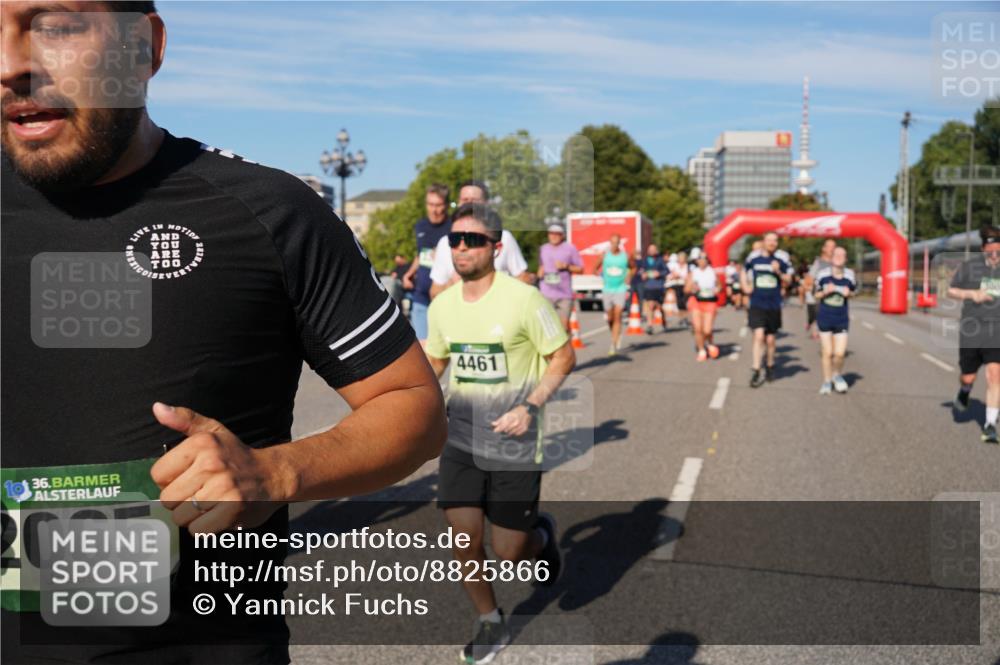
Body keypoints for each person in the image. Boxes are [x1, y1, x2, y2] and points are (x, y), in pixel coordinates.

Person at [0, 2, 447, 663]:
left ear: (144, 46)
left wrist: (275, 471)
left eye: (56, 27)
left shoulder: (269, 213)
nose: (10, 65)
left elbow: (414, 407)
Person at [424, 203, 574, 664]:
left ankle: (541, 539)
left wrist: (531, 405)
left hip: (514, 439)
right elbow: (437, 364)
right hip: (463, 437)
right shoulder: (443, 305)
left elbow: (563, 356)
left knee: (510, 552)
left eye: (473, 240)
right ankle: (491, 621)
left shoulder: (525, 300)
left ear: (497, 246)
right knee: (463, 540)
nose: (462, 248)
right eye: (455, 240)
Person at [428, 180, 531, 299]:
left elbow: (524, 279)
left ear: (486, 204)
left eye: (475, 200)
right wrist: (452, 283)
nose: (469, 204)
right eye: (465, 200)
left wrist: (497, 288)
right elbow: (434, 293)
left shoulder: (504, 237)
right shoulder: (445, 242)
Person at [948, 226, 1000, 444]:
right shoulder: (970, 267)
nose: (995, 256)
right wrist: (973, 294)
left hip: (996, 331)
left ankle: (989, 425)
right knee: (968, 376)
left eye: (999, 251)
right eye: (991, 251)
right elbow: (951, 290)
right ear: (983, 249)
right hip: (972, 330)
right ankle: (965, 390)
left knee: (994, 375)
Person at [742, 232, 794, 387]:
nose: (772, 243)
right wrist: (745, 285)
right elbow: (744, 270)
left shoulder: (782, 259)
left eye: (775, 240)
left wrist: (778, 271)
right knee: (758, 336)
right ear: (763, 241)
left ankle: (770, 365)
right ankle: (756, 369)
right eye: (769, 240)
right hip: (757, 302)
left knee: (770, 340)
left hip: (773, 304)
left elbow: (789, 279)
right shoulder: (754, 257)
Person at [402, 183, 451, 342]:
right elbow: (421, 254)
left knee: (445, 350)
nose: (434, 210)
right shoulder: (420, 225)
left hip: (446, 296)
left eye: (438, 205)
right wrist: (409, 273)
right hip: (421, 296)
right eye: (430, 204)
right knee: (423, 348)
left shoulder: (454, 227)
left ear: (446, 205)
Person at [814, 247, 857, 394]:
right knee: (828, 352)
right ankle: (827, 381)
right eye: (836, 254)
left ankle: (836, 375)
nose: (839, 257)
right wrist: (825, 292)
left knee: (839, 353)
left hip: (841, 318)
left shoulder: (850, 275)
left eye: (842, 255)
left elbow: (853, 292)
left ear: (845, 259)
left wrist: (849, 294)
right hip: (825, 317)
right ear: (832, 258)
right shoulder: (823, 275)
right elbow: (816, 295)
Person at [537, 221, 583, 332]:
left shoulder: (570, 248)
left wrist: (566, 266)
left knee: (563, 328)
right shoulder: (543, 248)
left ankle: (565, 347)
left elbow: (580, 269)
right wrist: (539, 272)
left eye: (556, 234)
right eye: (550, 233)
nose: (553, 236)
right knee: (547, 328)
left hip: (564, 294)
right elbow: (541, 266)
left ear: (562, 235)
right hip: (546, 293)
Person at [595, 233, 633, 355]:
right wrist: (599, 274)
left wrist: (629, 276)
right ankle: (615, 333)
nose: (614, 245)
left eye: (617, 242)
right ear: (609, 243)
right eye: (612, 242)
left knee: (618, 315)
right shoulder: (605, 255)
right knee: (610, 317)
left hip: (620, 289)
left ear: (619, 243)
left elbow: (633, 267)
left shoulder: (625, 256)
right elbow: (595, 268)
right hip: (607, 289)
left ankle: (613, 343)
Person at [685, 248, 720, 361]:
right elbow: (686, 290)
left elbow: (720, 286)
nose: (702, 260)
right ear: (696, 260)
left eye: (704, 258)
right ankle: (701, 350)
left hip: (710, 302)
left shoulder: (712, 272)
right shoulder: (693, 273)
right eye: (700, 258)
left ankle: (710, 343)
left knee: (707, 329)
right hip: (696, 301)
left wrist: (717, 289)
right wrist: (692, 288)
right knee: (698, 328)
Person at [804, 239, 836, 340]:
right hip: (816, 295)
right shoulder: (818, 262)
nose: (832, 249)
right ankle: (815, 331)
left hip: (832, 296)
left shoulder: (837, 263)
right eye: (829, 246)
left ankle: (825, 333)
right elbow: (809, 279)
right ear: (824, 249)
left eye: (833, 246)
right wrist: (811, 288)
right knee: (814, 315)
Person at [640, 244, 667, 335]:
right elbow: (640, 270)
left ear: (656, 251)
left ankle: (663, 317)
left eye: (653, 249)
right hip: (648, 286)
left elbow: (666, 271)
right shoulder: (644, 261)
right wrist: (643, 274)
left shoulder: (660, 260)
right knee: (650, 305)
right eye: (650, 249)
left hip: (658, 286)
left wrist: (659, 273)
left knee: (659, 306)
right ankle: (650, 325)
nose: (651, 251)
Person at [666, 250, 690, 329]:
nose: (680, 260)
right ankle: (682, 318)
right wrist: (673, 276)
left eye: (682, 258)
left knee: (684, 302)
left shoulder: (688, 266)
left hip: (685, 286)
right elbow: (670, 275)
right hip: (677, 285)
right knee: (679, 303)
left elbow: (689, 276)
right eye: (679, 258)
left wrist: (680, 276)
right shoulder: (675, 266)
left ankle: (686, 318)